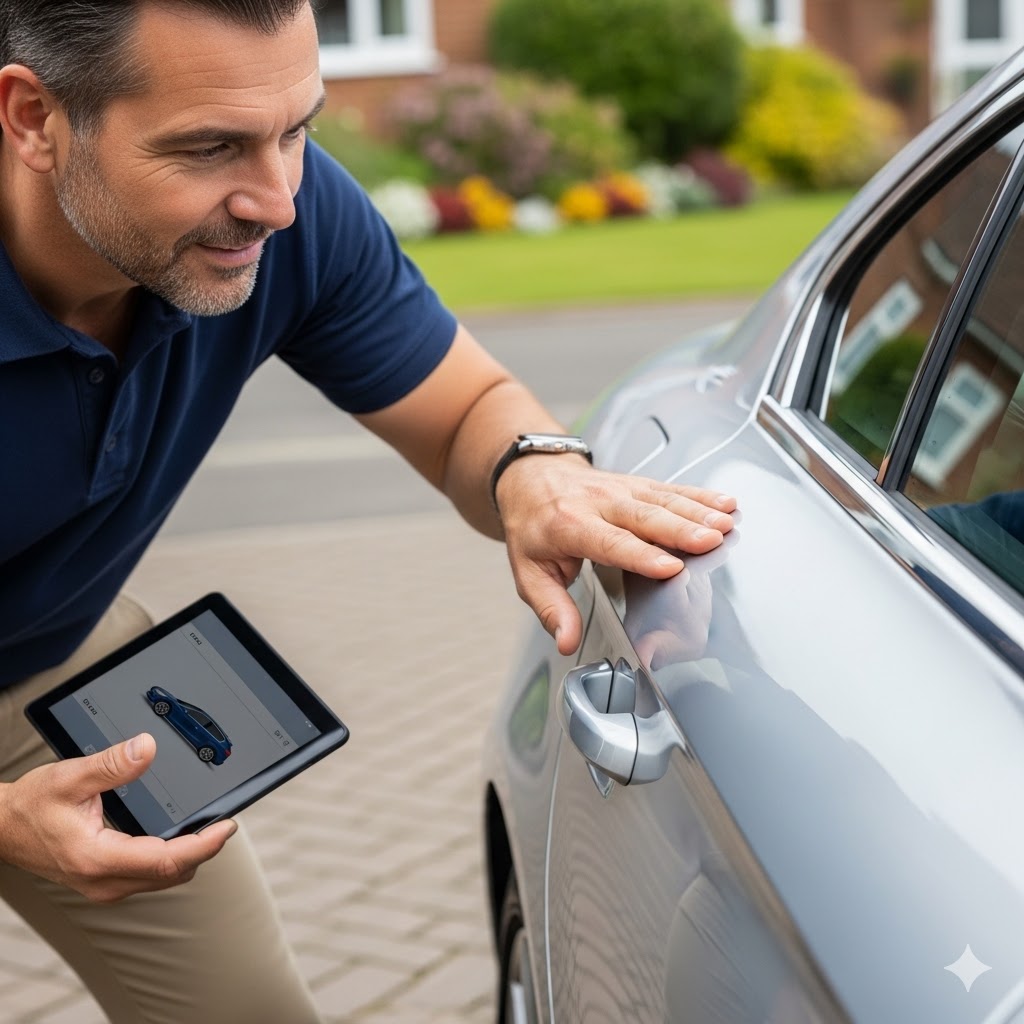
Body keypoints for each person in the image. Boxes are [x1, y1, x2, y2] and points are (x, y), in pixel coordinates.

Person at [0, 1, 737, 1019]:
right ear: (34, 117)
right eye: (210, 146)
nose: (278, 201)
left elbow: (468, 409)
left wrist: (535, 474)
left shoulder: (280, 221)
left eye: (297, 129)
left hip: (55, 666)